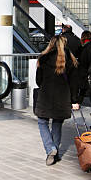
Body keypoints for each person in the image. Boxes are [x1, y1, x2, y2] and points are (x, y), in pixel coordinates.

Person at [35, 35, 79, 165]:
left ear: (51, 44)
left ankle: (51, 149)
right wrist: (74, 100)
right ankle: (56, 153)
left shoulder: (43, 58)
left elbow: (38, 81)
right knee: (57, 124)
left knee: (42, 122)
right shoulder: (70, 60)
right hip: (63, 97)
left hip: (45, 96)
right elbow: (74, 83)